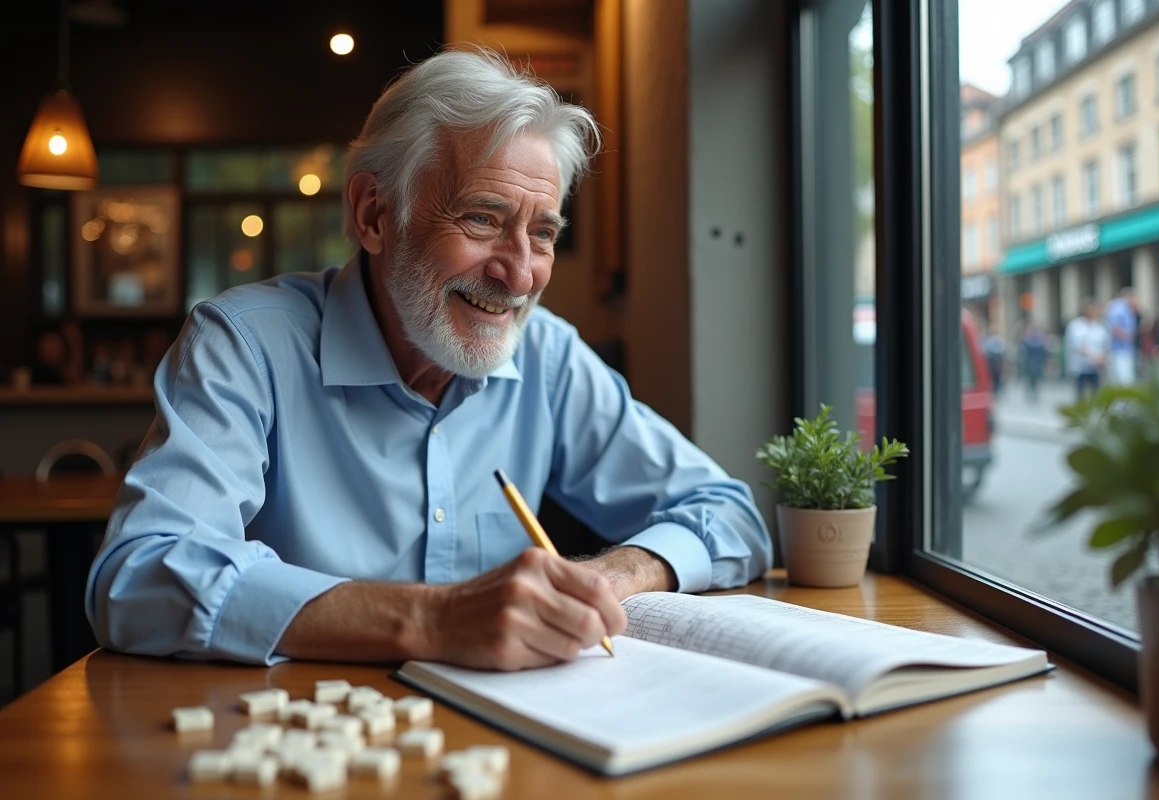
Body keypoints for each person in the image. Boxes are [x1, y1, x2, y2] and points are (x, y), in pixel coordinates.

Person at [85, 48, 772, 671]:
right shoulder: (245, 344)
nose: (519, 274)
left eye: (542, 233)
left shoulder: (548, 356)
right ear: (374, 214)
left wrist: (610, 577)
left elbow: (728, 513)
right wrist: (432, 620)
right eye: (482, 218)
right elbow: (140, 576)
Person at [1065, 299, 1109, 401]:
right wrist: (1093, 357)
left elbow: (1105, 345)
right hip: (1081, 366)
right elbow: (1077, 345)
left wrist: (1102, 358)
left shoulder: (1100, 327)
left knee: (1096, 392)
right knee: (1080, 392)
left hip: (1096, 367)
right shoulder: (1076, 325)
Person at [1105, 287, 1138, 385]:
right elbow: (1115, 328)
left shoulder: (1128, 309)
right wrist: (1128, 337)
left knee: (1125, 379)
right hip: (1119, 350)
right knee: (1123, 380)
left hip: (1125, 349)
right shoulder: (1118, 308)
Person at [1019, 324, 1047, 405]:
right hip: (1035, 363)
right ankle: (1033, 393)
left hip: (1032, 363)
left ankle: (1032, 393)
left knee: (1032, 380)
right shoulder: (1039, 342)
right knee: (1033, 380)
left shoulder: (1029, 341)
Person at [984, 329, 1005, 395]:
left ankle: (996, 390)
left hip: (996, 361)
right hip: (992, 361)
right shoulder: (990, 340)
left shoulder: (999, 340)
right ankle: (995, 390)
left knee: (997, 377)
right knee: (993, 377)